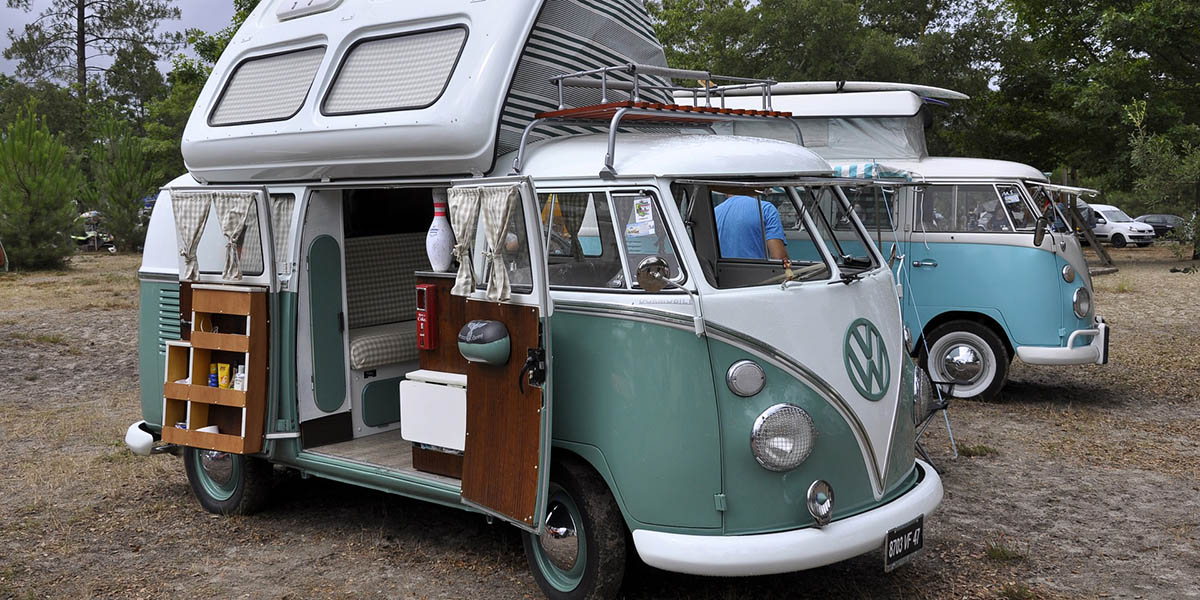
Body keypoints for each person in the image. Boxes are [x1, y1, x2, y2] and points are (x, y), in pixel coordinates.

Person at [713, 193, 789, 260]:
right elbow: (779, 258)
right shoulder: (766, 209)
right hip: (757, 274)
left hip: (722, 274)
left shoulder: (714, 213)